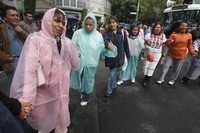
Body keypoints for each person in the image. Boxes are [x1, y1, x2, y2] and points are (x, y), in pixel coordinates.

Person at [10, 8, 80, 133]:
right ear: (47, 20)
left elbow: (76, 65)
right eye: (57, 21)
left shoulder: (67, 43)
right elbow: (29, 73)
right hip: (42, 98)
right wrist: (27, 101)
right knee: (44, 127)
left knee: (60, 126)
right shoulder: (35, 40)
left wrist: (74, 50)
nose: (60, 25)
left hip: (61, 96)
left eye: (63, 23)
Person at [70, 13, 117, 106]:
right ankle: (83, 92)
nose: (88, 26)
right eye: (86, 24)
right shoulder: (78, 33)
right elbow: (72, 46)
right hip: (79, 62)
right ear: (83, 23)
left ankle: (85, 95)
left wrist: (110, 49)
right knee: (80, 78)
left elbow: (102, 49)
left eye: (90, 24)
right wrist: (75, 54)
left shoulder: (98, 35)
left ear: (94, 24)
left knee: (88, 80)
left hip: (91, 64)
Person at [157, 21, 197, 85]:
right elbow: (168, 44)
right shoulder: (174, 34)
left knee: (176, 69)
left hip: (181, 55)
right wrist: (169, 42)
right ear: (179, 27)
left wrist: (192, 52)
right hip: (171, 54)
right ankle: (161, 79)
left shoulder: (189, 35)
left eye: (185, 26)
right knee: (165, 66)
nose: (184, 27)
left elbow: (189, 45)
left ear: (187, 27)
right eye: (182, 25)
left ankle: (172, 80)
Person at [0, 6, 27, 95]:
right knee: (15, 90)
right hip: (13, 61)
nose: (16, 17)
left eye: (17, 15)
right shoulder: (1, 29)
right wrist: (7, 58)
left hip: (25, 60)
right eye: (12, 15)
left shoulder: (21, 27)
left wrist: (21, 32)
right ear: (5, 18)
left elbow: (31, 40)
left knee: (25, 88)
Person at [104, 16, 128, 96]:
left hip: (120, 57)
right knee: (111, 74)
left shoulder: (122, 32)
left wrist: (127, 55)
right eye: (110, 22)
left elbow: (125, 44)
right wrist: (107, 44)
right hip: (111, 58)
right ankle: (109, 91)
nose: (112, 24)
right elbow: (104, 41)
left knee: (116, 72)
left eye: (114, 22)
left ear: (117, 23)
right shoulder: (106, 32)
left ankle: (113, 85)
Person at [142, 22, 167, 87]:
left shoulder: (163, 35)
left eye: (159, 27)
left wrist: (163, 55)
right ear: (153, 28)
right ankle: (145, 76)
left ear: (161, 28)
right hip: (149, 51)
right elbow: (144, 43)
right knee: (146, 66)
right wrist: (148, 51)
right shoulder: (148, 34)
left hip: (157, 53)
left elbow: (164, 45)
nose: (157, 28)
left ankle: (147, 80)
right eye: (156, 27)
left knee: (152, 67)